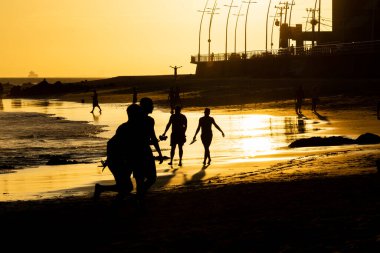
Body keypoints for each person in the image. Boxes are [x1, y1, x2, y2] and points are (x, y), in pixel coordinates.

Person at [93, 104, 142, 201]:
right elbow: (112, 143)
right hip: (118, 161)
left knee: (125, 186)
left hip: (120, 160)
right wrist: (112, 158)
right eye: (139, 113)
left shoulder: (129, 127)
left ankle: (102, 189)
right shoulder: (126, 128)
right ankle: (102, 190)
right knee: (126, 187)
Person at [135, 97, 163, 203]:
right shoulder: (149, 120)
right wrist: (159, 153)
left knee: (139, 178)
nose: (153, 107)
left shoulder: (135, 119)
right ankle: (140, 196)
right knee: (151, 178)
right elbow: (153, 138)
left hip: (135, 152)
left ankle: (139, 196)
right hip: (144, 151)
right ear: (146, 106)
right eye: (151, 105)